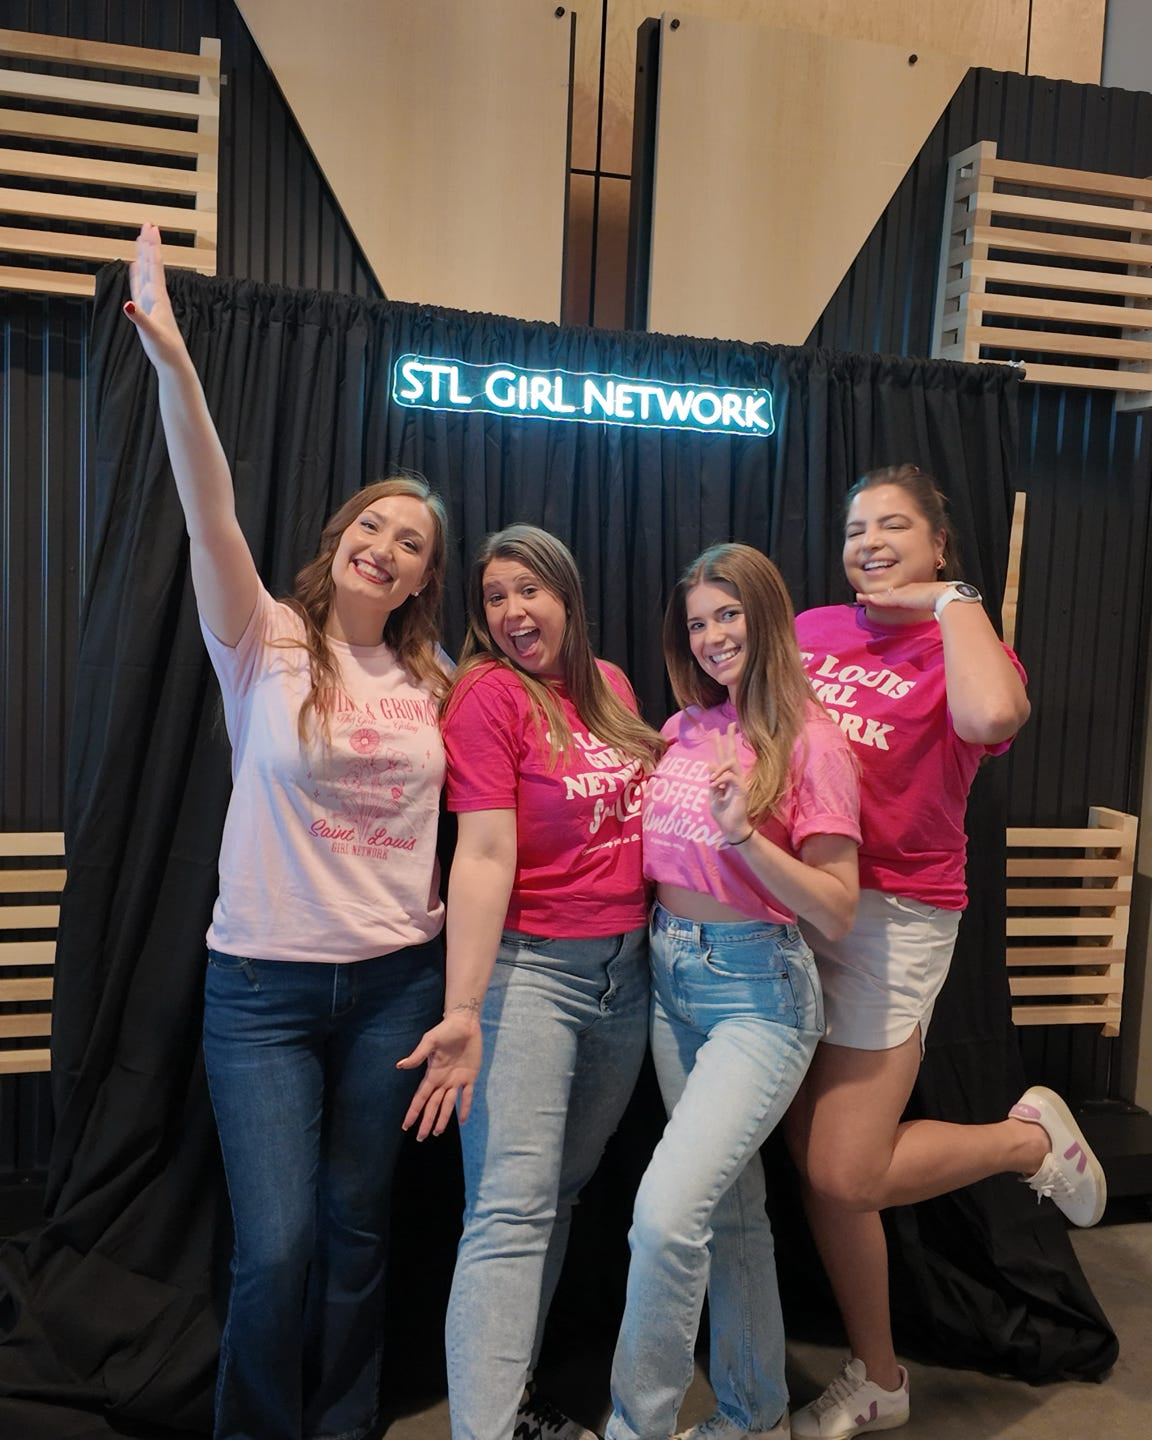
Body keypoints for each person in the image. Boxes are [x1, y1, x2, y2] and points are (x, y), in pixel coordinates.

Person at [125, 223, 469, 1440]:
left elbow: (490, 828)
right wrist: (174, 361)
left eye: (410, 542)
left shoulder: (440, 687)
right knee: (275, 1249)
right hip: (263, 988)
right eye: (369, 528)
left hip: (391, 987)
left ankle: (343, 1424)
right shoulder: (264, 638)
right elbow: (204, 502)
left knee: (360, 1232)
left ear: (425, 578)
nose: (384, 548)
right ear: (340, 543)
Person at [780, 464, 1104, 1439]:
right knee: (813, 1162)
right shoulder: (812, 632)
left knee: (846, 1171)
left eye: (892, 526)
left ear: (937, 545)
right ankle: (878, 1377)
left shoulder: (965, 642)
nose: (868, 542)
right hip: (795, 902)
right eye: (853, 528)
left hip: (893, 918)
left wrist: (955, 601)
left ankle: (1030, 1144)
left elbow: (991, 720)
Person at [604, 543, 861, 1440]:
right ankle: (756, 1416)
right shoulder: (684, 729)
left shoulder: (814, 744)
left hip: (758, 993)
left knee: (666, 1217)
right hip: (669, 975)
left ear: (768, 615)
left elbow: (835, 909)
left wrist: (746, 836)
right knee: (733, 1211)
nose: (713, 636)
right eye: (699, 621)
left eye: (729, 615)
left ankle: (637, 1426)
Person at [437, 524, 665, 1440]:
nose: (512, 612)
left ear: (567, 595)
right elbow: (483, 854)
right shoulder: (489, 696)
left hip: (627, 971)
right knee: (507, 1212)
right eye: (494, 597)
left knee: (556, 1196)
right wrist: (463, 1007)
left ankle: (512, 1403)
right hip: (532, 974)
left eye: (528, 590)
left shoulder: (610, 685)